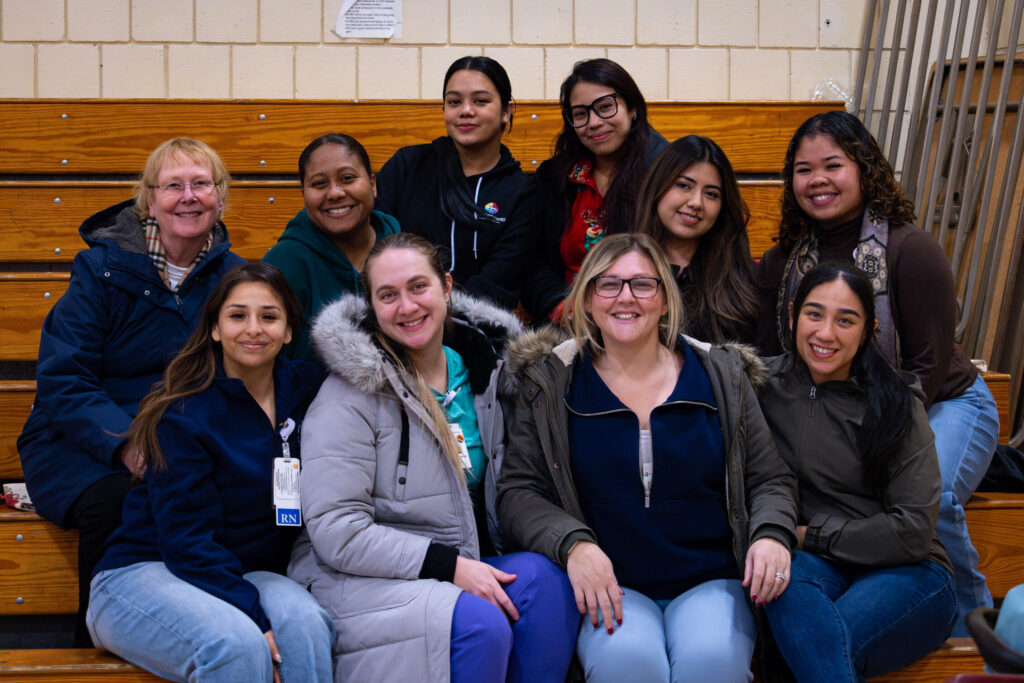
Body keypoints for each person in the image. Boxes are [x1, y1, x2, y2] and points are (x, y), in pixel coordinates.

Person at [499, 233, 797, 682]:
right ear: (587, 300)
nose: (626, 298)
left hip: (710, 579)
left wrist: (772, 533)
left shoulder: (720, 374)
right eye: (608, 284)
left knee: (712, 660)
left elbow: (770, 478)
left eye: (642, 284)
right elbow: (519, 492)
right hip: (611, 583)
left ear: (664, 299)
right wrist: (573, 543)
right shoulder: (551, 381)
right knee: (628, 664)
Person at [287, 233, 579, 682]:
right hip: (361, 579)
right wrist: (451, 567)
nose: (407, 306)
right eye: (388, 295)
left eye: (418, 286)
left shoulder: (489, 374)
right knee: (480, 624)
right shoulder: (348, 395)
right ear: (372, 306)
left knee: (546, 584)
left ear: (446, 287)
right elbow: (338, 531)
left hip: (461, 562)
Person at [754, 110, 999, 635]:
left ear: (864, 169)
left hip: (944, 401)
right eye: (803, 169)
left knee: (936, 500)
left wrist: (881, 447)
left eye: (832, 165)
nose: (817, 179)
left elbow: (927, 367)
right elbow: (772, 363)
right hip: (847, 409)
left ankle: (972, 632)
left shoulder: (911, 249)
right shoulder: (782, 262)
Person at [16, 137, 246, 646]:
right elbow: (64, 378)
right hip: (82, 440)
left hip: (184, 437)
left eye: (201, 184)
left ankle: (211, 639)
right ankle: (103, 640)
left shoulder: (236, 278)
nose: (188, 197)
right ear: (149, 200)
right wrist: (126, 444)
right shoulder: (100, 269)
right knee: (119, 501)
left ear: (220, 197)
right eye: (173, 186)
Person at [85, 262, 334, 683]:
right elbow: (187, 541)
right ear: (215, 328)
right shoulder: (183, 412)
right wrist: (253, 614)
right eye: (237, 316)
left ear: (289, 330)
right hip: (146, 570)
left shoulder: (310, 390)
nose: (253, 329)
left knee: (306, 626)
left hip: (243, 571)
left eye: (269, 316)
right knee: (236, 645)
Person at [759, 261, 957, 681]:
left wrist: (809, 534)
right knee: (783, 586)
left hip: (909, 572)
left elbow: (912, 531)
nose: (826, 333)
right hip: (812, 565)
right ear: (793, 314)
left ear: (869, 330)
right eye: (814, 314)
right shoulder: (759, 387)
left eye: (846, 321)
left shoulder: (897, 404)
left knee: (815, 643)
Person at [375, 56, 537, 310]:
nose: (466, 110)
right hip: (400, 313)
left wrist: (439, 315)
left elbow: (499, 281)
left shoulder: (522, 192)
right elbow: (378, 247)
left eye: (480, 101)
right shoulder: (407, 165)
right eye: (454, 102)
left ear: (507, 111)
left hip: (477, 322)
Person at [521, 58, 669, 322]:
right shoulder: (556, 177)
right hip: (570, 319)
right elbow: (532, 264)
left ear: (632, 107)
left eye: (605, 107)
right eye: (581, 114)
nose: (594, 122)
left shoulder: (664, 172)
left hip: (645, 316)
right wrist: (562, 307)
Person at [264, 133, 400, 364]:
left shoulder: (402, 250)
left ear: (373, 184)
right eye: (319, 183)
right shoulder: (285, 263)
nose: (335, 193)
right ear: (304, 194)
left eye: (347, 178)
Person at [635, 135, 759, 344]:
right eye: (684, 186)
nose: (696, 203)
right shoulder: (621, 263)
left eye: (711, 194)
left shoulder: (743, 279)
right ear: (658, 186)